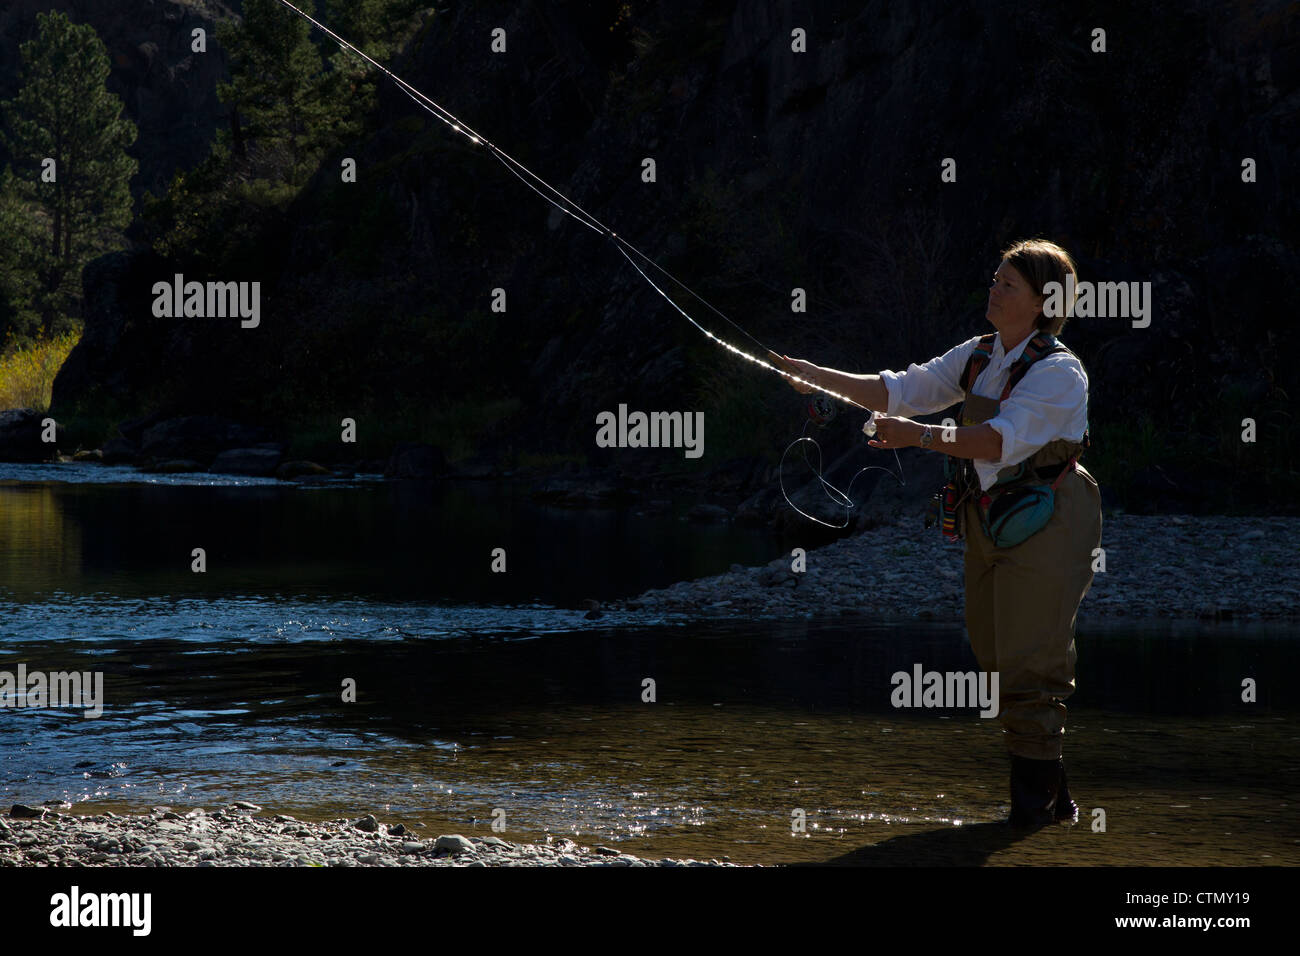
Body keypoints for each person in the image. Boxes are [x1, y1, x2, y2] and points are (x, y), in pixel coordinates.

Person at [769, 238, 1102, 828]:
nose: (993, 291)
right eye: (995, 279)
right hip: (989, 517)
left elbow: (998, 439)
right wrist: (814, 377)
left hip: (1051, 519)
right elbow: (900, 391)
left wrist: (917, 438)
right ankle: (1057, 809)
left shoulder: (1059, 373)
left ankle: (1031, 820)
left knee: (1033, 663)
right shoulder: (979, 354)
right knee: (997, 658)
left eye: (1008, 285)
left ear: (1044, 302)